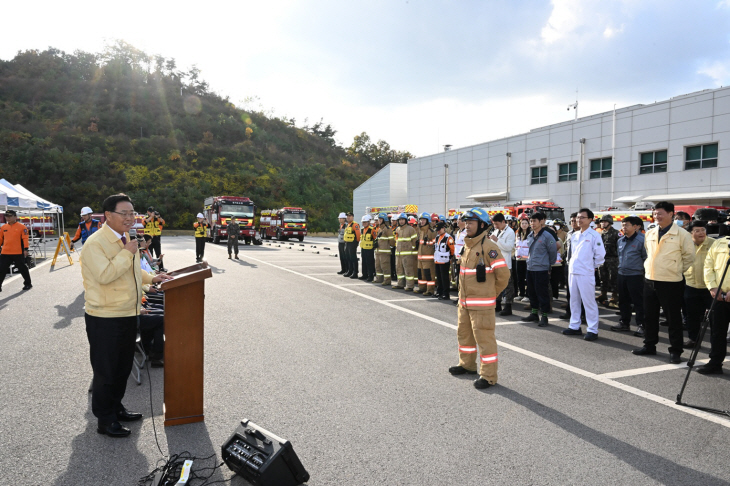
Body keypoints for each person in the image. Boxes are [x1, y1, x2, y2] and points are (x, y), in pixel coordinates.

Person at [81, 193, 172, 438]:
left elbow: (132, 272)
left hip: (127, 314)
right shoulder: (96, 243)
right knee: (106, 370)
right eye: (125, 213)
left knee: (121, 368)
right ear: (108, 216)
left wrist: (153, 277)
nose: (130, 218)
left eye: (133, 213)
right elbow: (105, 275)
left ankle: (116, 407)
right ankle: (105, 419)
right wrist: (127, 252)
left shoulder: (125, 238)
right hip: (105, 317)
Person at [448, 208, 509, 389]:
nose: (467, 226)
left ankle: (489, 376)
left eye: (471, 223)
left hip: (481, 306)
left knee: (484, 340)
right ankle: (467, 365)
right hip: (465, 303)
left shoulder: (489, 247)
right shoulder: (468, 245)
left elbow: (503, 276)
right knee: (464, 336)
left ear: (482, 225)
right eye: (466, 222)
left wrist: (491, 294)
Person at [633, 201, 694, 363]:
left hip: (671, 281)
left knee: (673, 318)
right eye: (654, 214)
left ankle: (675, 351)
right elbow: (648, 253)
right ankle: (649, 345)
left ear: (671, 214)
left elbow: (689, 258)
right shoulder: (651, 233)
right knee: (649, 316)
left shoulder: (683, 234)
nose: (656, 216)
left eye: (660, 213)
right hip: (650, 279)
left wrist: (675, 269)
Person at [562, 208, 606, 341]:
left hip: (586, 273)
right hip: (573, 271)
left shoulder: (594, 235)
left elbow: (600, 256)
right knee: (574, 300)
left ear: (590, 220)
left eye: (582, 217)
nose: (578, 220)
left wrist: (590, 267)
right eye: (578, 217)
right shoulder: (574, 235)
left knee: (588, 301)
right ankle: (574, 326)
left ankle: (593, 329)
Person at [697, 234, 730, 374]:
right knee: (717, 332)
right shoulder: (720, 243)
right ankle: (715, 363)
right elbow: (708, 266)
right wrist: (712, 287)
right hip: (719, 296)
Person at [610, 216, 647, 334]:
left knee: (638, 301)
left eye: (626, 225)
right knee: (623, 300)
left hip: (636, 275)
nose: (623, 227)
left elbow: (646, 258)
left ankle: (642, 324)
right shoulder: (621, 240)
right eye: (622, 225)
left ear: (636, 227)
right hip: (622, 274)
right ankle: (624, 323)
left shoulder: (642, 240)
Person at [682, 221, 714, 348]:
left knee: (714, 318)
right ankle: (693, 339)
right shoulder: (686, 244)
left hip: (710, 287)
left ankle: (715, 343)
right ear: (690, 234)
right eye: (697, 230)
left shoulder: (713, 243)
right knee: (692, 316)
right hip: (691, 284)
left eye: (703, 229)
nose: (701, 233)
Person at [521, 212, 557, 327]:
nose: (532, 223)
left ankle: (544, 316)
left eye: (534, 221)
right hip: (530, 268)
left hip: (541, 269)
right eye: (531, 221)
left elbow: (553, 252)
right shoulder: (530, 235)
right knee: (531, 292)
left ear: (541, 222)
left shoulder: (547, 236)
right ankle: (534, 314)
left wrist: (548, 265)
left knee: (542, 293)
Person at [489, 213, 516, 316]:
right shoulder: (496, 231)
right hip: (495, 262)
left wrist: (497, 240)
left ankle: (508, 306)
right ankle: (498, 304)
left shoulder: (510, 232)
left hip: (505, 263)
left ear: (503, 222)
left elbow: (509, 247)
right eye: (494, 224)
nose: (495, 226)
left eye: (497, 224)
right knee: (496, 284)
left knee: (508, 285)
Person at [0, 209, 32, 292]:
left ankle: (28, 283)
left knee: (22, 268)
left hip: (18, 252)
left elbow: (25, 238)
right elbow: (0, 238)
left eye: (10, 216)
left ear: (15, 217)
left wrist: (26, 249)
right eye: (6, 216)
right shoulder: (3, 227)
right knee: (1, 269)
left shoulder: (22, 227)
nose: (8, 218)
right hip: (5, 252)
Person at [559, 213, 579, 320]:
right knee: (570, 291)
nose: (573, 223)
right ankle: (569, 311)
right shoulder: (570, 234)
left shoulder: (586, 234)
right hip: (569, 264)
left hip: (581, 267)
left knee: (581, 293)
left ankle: (582, 314)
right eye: (572, 221)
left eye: (575, 220)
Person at [597, 215, 620, 307]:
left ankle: (614, 297)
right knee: (603, 278)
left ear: (610, 222)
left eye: (605, 222)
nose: (603, 223)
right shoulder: (600, 233)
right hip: (602, 259)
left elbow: (620, 247)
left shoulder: (616, 233)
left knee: (613, 279)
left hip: (613, 259)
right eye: (602, 222)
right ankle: (603, 294)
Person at [393, 212, 417, 290]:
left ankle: (410, 285)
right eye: (400, 220)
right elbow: (396, 241)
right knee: (399, 270)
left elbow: (414, 241)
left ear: (406, 220)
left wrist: (412, 251)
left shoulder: (411, 229)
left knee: (408, 270)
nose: (401, 221)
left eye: (403, 220)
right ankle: (400, 284)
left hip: (407, 254)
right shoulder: (398, 229)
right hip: (398, 254)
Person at [416, 212, 437, 296]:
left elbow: (435, 245)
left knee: (429, 275)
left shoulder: (432, 232)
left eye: (424, 220)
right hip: (420, 257)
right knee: (420, 274)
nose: (422, 221)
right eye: (421, 220)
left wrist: (427, 242)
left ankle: (430, 290)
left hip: (428, 258)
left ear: (427, 221)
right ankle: (422, 288)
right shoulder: (420, 231)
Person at [433, 221, 455, 300]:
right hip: (437, 260)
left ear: (443, 228)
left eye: (439, 229)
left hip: (444, 261)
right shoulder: (437, 237)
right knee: (439, 277)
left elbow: (452, 249)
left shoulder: (448, 238)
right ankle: (439, 292)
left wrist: (450, 257)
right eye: (437, 230)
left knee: (444, 278)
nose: (438, 231)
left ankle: (446, 294)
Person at [374, 213, 394, 285]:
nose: (379, 220)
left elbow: (392, 241)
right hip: (378, 251)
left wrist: (389, 247)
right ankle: (379, 279)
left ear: (384, 220)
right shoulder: (379, 229)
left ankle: (387, 280)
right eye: (379, 219)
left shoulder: (388, 229)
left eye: (381, 219)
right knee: (378, 266)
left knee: (385, 267)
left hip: (384, 252)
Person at [515, 216, 530, 302]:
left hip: (527, 259)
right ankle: (521, 294)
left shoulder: (530, 234)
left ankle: (527, 295)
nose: (524, 225)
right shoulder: (518, 233)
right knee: (519, 277)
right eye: (522, 223)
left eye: (525, 223)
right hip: (519, 258)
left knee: (527, 277)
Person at [343, 212, 361, 278]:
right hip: (347, 242)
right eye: (347, 216)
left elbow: (358, 234)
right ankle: (350, 271)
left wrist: (356, 242)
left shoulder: (355, 224)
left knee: (353, 258)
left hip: (353, 243)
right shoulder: (348, 224)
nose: (348, 217)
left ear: (352, 217)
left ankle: (355, 272)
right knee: (348, 257)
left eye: (350, 216)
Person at [359, 215, 376, 281]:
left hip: (369, 249)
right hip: (363, 248)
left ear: (369, 222)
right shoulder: (362, 229)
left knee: (370, 263)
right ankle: (364, 275)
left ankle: (370, 276)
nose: (364, 224)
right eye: (363, 222)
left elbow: (375, 239)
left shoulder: (372, 229)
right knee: (364, 262)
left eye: (365, 222)